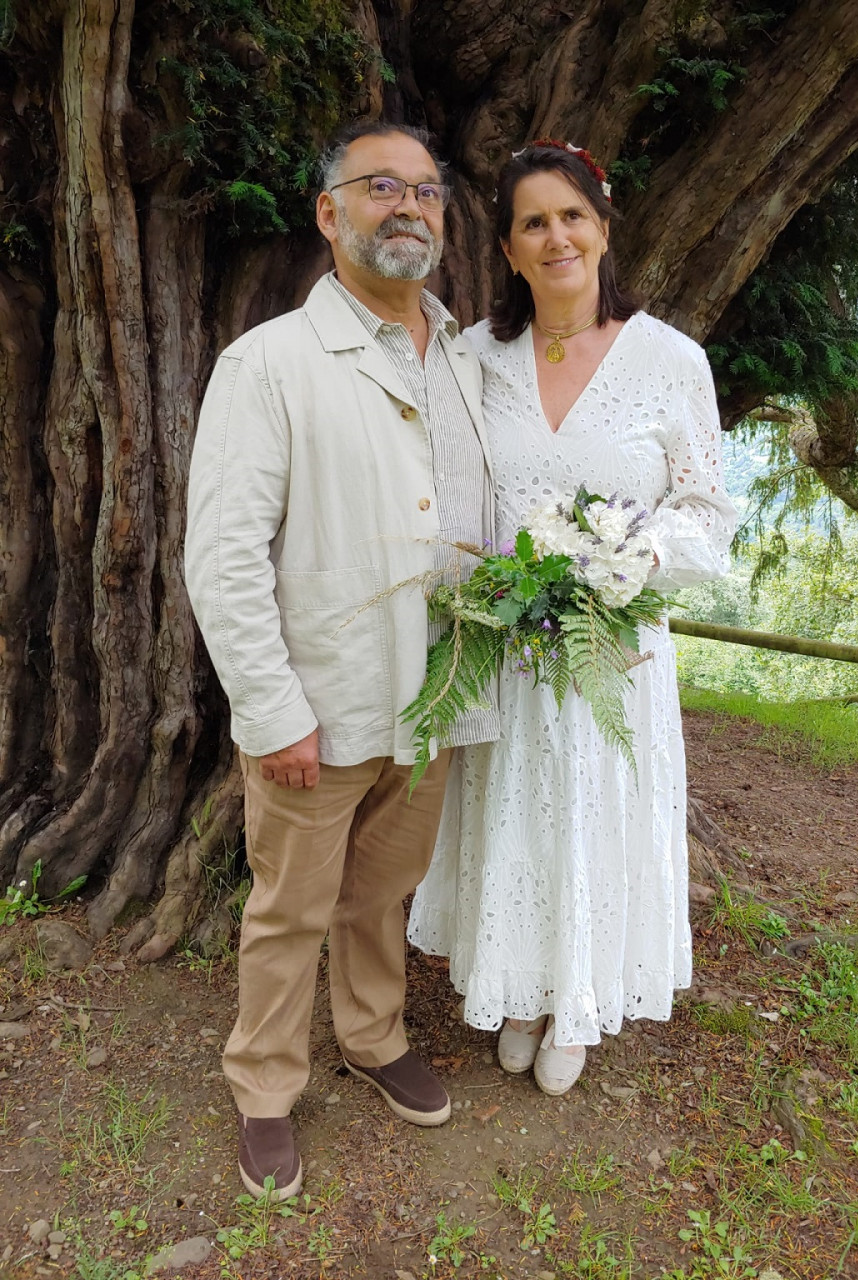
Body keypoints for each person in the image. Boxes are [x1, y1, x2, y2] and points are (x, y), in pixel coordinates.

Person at [185, 120, 497, 1199]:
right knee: (290, 907)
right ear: (330, 214)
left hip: (437, 695)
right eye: (380, 188)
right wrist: (273, 712)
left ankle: (370, 1034)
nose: (408, 207)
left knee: (384, 894)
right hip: (319, 699)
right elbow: (222, 557)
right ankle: (265, 1082)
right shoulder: (268, 362)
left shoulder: (465, 358)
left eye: (426, 193)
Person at [408, 140, 737, 1096]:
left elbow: (707, 513)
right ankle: (512, 988)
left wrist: (629, 560)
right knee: (513, 813)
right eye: (533, 223)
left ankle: (577, 998)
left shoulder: (672, 362)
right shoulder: (476, 359)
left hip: (616, 655)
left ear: (603, 227)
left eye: (572, 216)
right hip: (505, 648)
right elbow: (446, 494)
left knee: (592, 813)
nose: (556, 238)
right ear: (508, 251)